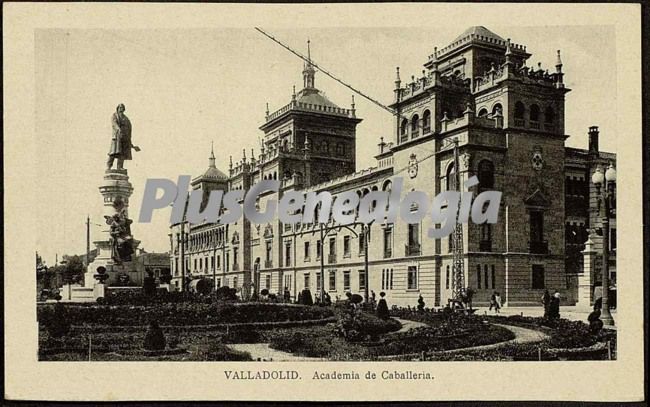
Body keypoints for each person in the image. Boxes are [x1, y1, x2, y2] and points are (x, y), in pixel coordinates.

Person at [107, 103, 140, 170]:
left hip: (125, 138)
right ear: (118, 108)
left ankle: (120, 167)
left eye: (122, 107)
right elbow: (114, 124)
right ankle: (109, 166)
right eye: (120, 107)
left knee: (122, 153)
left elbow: (129, 128)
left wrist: (129, 139)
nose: (121, 109)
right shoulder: (114, 115)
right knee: (113, 153)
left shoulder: (126, 118)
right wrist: (118, 129)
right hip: (117, 137)